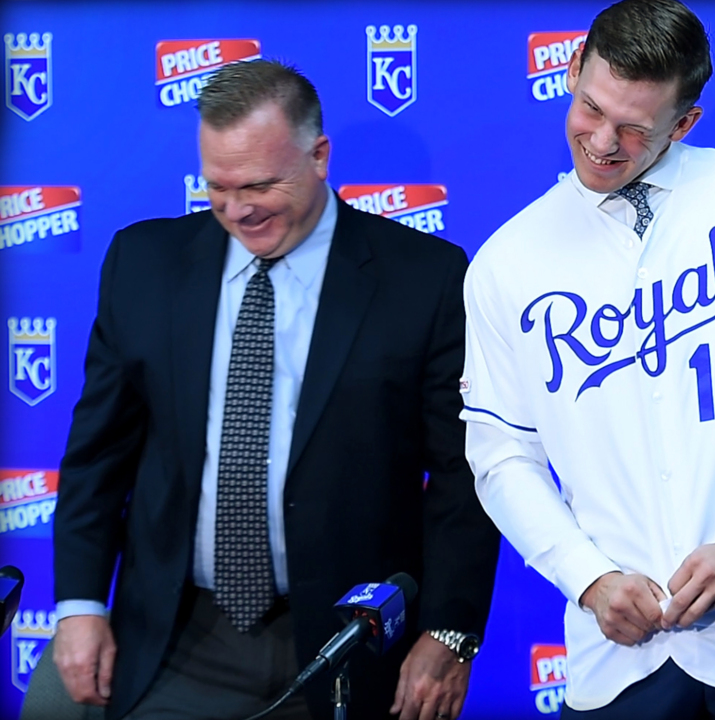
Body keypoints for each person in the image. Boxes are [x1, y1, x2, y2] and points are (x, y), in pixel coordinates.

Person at [460, 1, 715, 718]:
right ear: (571, 70)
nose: (600, 141)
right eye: (591, 108)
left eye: (633, 128)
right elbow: (500, 455)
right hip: (619, 653)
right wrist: (587, 577)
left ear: (684, 123)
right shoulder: (505, 263)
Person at [52, 59, 500, 720]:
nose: (238, 210)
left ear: (319, 156)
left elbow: (465, 477)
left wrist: (449, 633)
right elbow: (98, 456)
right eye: (218, 187)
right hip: (178, 639)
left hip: (352, 647)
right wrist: (82, 604)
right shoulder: (141, 265)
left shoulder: (424, 278)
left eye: (261, 184)